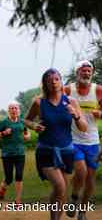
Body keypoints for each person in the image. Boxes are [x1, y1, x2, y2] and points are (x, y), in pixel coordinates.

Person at [25, 68, 87, 220]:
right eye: (50, 80)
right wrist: (34, 126)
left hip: (66, 151)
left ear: (61, 81)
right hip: (46, 150)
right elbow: (26, 120)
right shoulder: (39, 102)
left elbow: (84, 128)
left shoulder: (71, 102)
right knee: (60, 186)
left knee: (62, 191)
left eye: (57, 79)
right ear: (45, 83)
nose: (54, 82)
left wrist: (76, 116)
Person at [64, 60, 102, 220]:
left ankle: (83, 212)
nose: (86, 73)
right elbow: (55, 103)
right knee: (81, 171)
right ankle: (73, 197)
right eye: (83, 70)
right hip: (73, 139)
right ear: (77, 72)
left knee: (90, 177)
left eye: (89, 71)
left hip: (92, 140)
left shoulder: (98, 90)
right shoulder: (68, 89)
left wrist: (100, 114)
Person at [0, 102, 30, 205]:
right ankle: (3, 187)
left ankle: (18, 200)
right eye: (12, 108)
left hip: (20, 153)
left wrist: (27, 136)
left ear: (19, 111)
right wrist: (3, 133)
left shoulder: (22, 122)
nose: (14, 110)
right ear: (8, 111)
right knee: (9, 178)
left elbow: (27, 133)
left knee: (19, 175)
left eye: (16, 108)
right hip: (7, 154)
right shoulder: (3, 122)